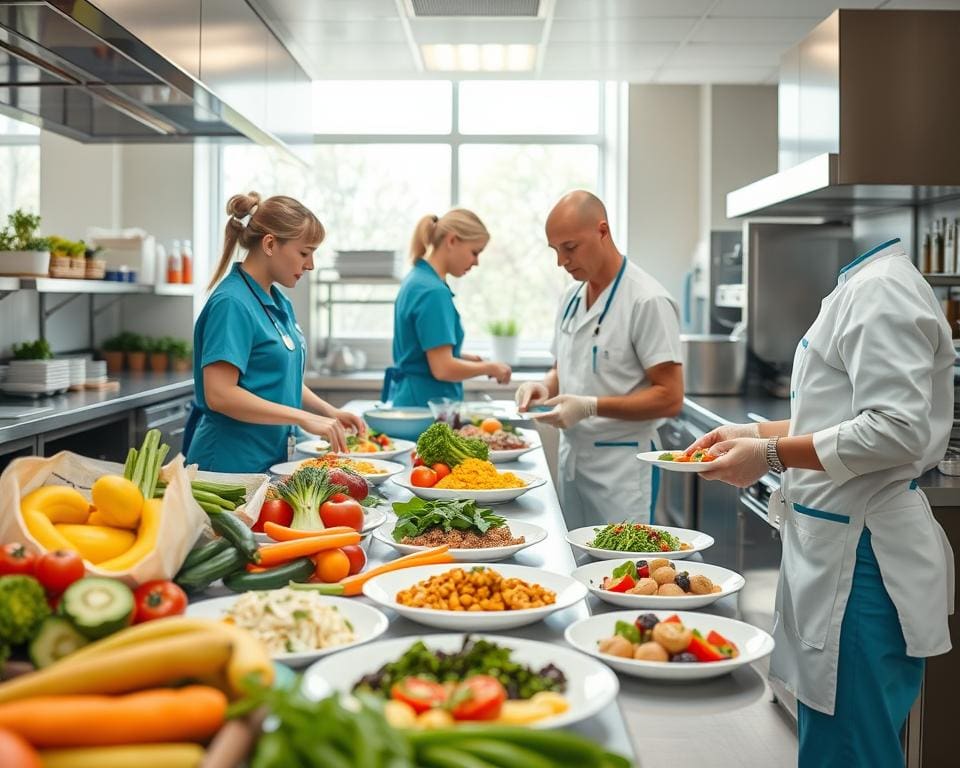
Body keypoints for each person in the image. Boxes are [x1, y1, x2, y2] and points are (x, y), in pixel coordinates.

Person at [687, 237, 954, 767]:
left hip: (863, 564)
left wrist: (770, 454)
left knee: (851, 751)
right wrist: (756, 430)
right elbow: (842, 411)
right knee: (834, 743)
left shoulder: (880, 290)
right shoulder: (863, 286)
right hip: (838, 553)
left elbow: (895, 430)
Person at [515, 190, 684, 529]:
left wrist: (590, 406)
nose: (561, 262)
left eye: (570, 247)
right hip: (574, 460)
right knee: (576, 565)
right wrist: (543, 387)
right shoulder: (571, 297)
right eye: (555, 250)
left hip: (623, 469)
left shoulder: (646, 301)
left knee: (622, 572)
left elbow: (670, 397)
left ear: (602, 232)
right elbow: (564, 367)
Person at [184, 192, 364, 473]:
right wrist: (303, 418)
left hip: (268, 460)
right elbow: (220, 394)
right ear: (270, 244)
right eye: (304, 252)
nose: (310, 264)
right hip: (228, 466)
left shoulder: (278, 301)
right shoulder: (232, 303)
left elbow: (281, 377)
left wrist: (329, 411)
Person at [385, 209, 512, 407]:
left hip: (411, 401)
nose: (476, 262)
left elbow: (419, 352)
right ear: (452, 241)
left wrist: (460, 356)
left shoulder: (417, 280)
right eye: (475, 252)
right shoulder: (433, 292)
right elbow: (443, 369)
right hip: (425, 407)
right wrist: (490, 368)